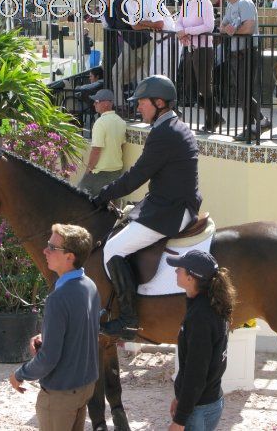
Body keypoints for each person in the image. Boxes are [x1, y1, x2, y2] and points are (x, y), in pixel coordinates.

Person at [92, 75, 202, 339]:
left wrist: (102, 195)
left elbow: (136, 176)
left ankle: (128, 320)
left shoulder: (165, 133)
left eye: (142, 102)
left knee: (113, 248)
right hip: (168, 203)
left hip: (171, 211)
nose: (138, 107)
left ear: (160, 102)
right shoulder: (174, 126)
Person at [9, 224, 100, 431]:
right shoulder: (90, 286)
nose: (45, 250)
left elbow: (48, 358)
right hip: (84, 387)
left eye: (52, 247)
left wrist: (19, 374)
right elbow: (85, 330)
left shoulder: (58, 298)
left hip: (61, 393)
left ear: (70, 257)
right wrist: (48, 334)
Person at [166, 250, 236, 431]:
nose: (175, 272)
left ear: (191, 278)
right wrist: (180, 397)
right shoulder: (209, 304)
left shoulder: (200, 317)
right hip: (205, 402)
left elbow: (196, 373)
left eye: (179, 269)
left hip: (199, 410)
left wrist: (180, 420)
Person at [216, 0, 271, 141]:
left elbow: (248, 27)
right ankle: (255, 125)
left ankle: (258, 123)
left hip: (246, 52)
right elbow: (222, 27)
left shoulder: (244, 3)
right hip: (236, 53)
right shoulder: (231, 5)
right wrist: (228, 30)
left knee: (243, 92)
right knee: (241, 93)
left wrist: (231, 30)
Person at [176, 0, 223, 132]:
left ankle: (211, 121)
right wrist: (181, 33)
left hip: (203, 49)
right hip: (190, 48)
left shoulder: (205, 3)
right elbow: (179, 22)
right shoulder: (186, 3)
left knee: (204, 87)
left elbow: (209, 26)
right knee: (192, 86)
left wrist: (187, 32)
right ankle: (215, 117)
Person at [104, 0, 151, 107]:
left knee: (145, 76)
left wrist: (108, 7)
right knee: (143, 76)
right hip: (136, 42)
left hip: (136, 43)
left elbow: (114, 25)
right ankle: (132, 106)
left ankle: (123, 106)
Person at [124, 0, 179, 78]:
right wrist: (149, 24)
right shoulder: (129, 2)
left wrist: (141, 22)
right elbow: (134, 26)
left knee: (168, 77)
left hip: (171, 39)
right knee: (154, 76)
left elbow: (159, 24)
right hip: (159, 41)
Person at [79, 89, 127, 195]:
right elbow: (121, 147)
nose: (94, 104)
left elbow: (96, 150)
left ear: (105, 104)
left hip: (100, 173)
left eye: (96, 101)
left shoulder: (100, 123)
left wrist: (88, 170)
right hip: (116, 172)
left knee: (78, 195)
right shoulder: (121, 122)